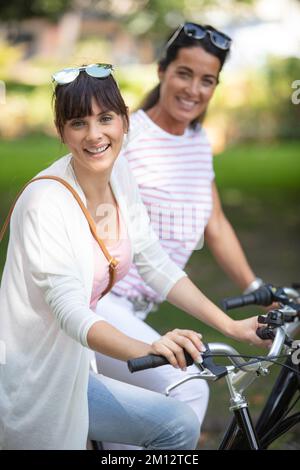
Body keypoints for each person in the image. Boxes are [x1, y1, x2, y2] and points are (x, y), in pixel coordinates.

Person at [94, 22, 266, 450]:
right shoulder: (128, 137)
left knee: (132, 435)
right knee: (187, 386)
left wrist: (255, 286)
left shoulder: (197, 141)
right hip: (98, 301)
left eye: (207, 80)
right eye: (184, 73)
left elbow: (217, 223)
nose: (194, 89)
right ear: (162, 72)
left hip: (137, 309)